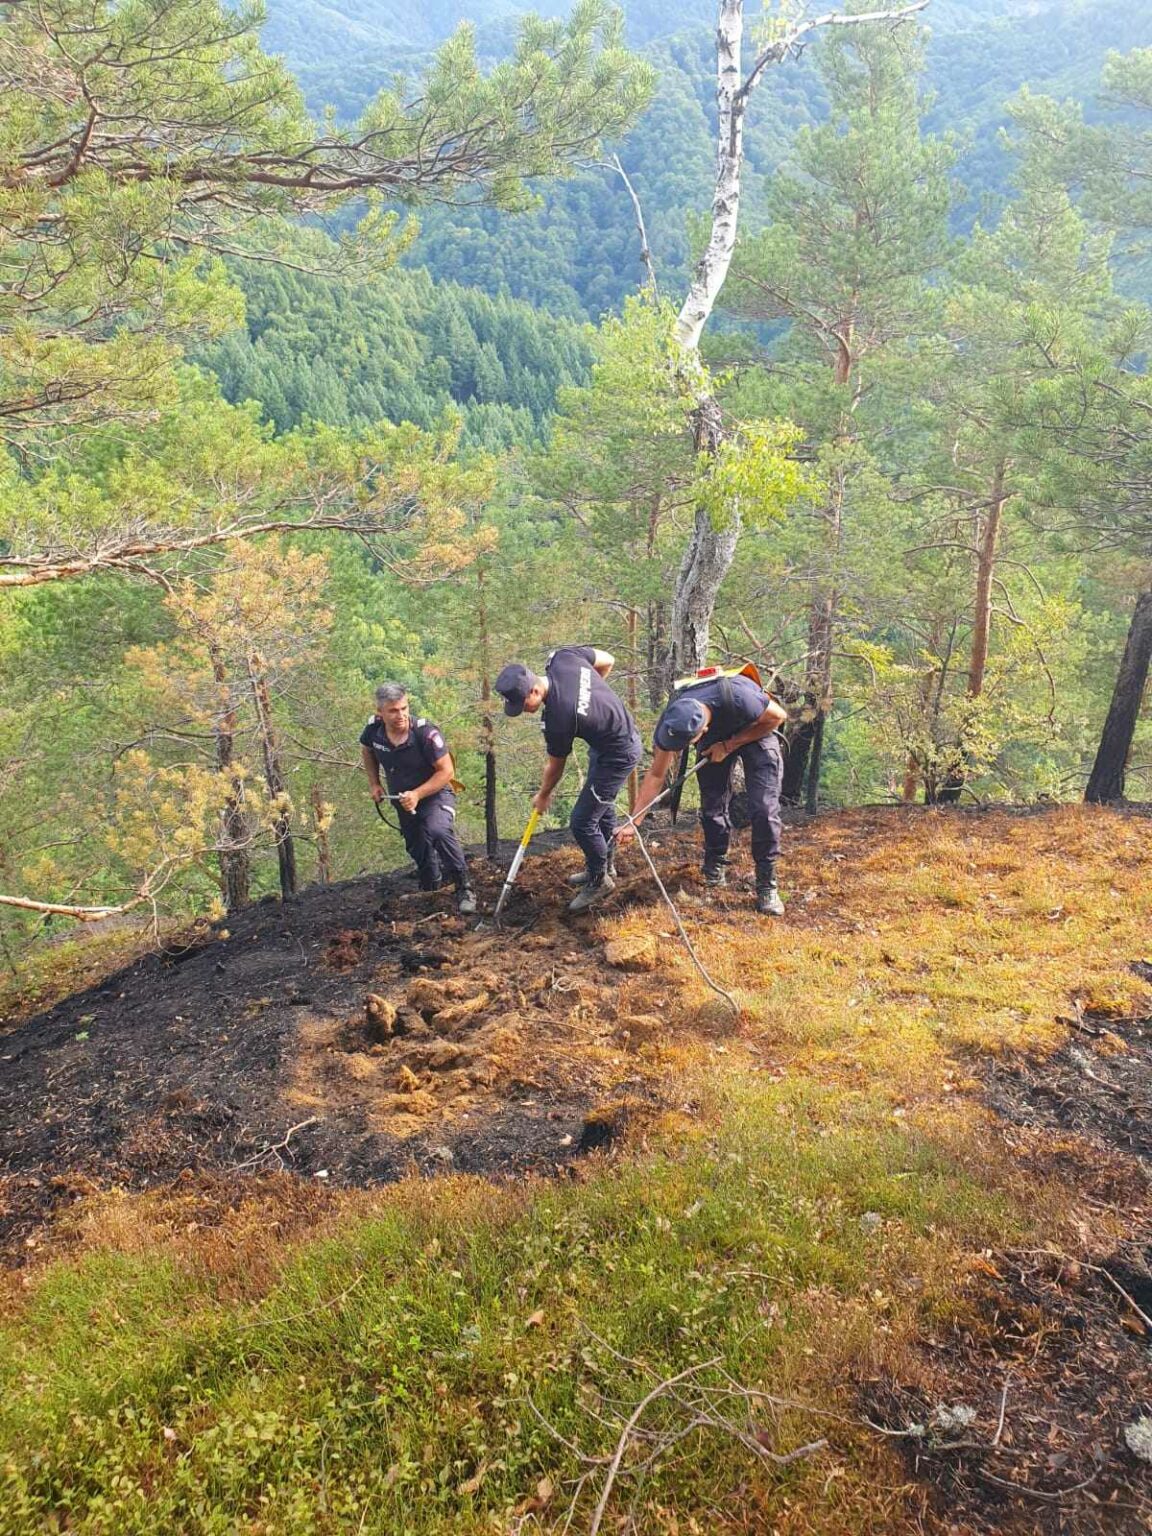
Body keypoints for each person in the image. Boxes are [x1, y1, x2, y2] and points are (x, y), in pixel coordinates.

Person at [617, 668, 788, 915]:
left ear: (702, 730)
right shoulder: (672, 722)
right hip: (716, 738)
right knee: (712, 805)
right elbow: (656, 774)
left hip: (756, 729)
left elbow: (778, 716)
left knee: (763, 808)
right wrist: (634, 821)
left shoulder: (740, 696)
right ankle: (715, 864)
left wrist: (729, 745)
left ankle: (766, 883)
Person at [494, 646, 642, 913]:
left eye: (522, 704)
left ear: (535, 691)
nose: (522, 711)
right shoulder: (562, 658)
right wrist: (590, 701)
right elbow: (608, 659)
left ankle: (600, 880)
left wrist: (543, 794)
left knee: (582, 822)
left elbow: (555, 766)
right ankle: (604, 865)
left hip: (620, 752)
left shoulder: (559, 717)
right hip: (608, 740)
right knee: (602, 806)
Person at [360, 683, 476, 916]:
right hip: (402, 799)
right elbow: (367, 750)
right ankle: (430, 887)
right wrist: (374, 783)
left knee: (438, 831)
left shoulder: (425, 733)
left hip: (435, 793)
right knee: (417, 844)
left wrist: (417, 794)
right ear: (380, 712)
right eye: (393, 710)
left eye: (404, 708)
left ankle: (464, 887)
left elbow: (447, 772)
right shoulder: (374, 731)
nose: (401, 715)